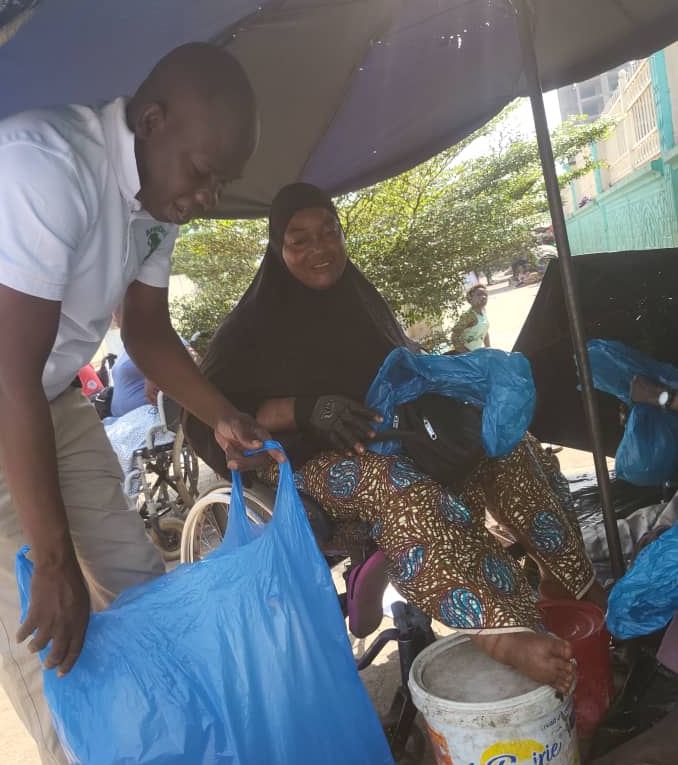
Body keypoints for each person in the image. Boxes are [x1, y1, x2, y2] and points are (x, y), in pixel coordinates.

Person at [0, 42, 283, 765]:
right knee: (42, 626)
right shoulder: (42, 169)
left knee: (136, 584)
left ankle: (171, 764)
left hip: (43, 392)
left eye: (220, 182)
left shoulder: (156, 197)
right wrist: (53, 562)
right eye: (203, 173)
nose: (206, 197)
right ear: (152, 120)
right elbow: (4, 376)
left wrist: (220, 413)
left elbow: (146, 332)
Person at [186, 183, 597, 694]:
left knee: (506, 447)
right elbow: (208, 417)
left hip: (389, 430)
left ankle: (570, 584)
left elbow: (400, 360)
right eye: (299, 240)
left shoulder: (359, 298)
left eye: (329, 232)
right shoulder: (250, 325)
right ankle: (503, 632)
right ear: (277, 250)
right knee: (400, 486)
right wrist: (306, 410)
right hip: (305, 457)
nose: (320, 248)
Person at [451, 283, 491, 352]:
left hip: (476, 353)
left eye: (485, 294)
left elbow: (485, 332)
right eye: (479, 294)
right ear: (471, 298)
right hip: (464, 355)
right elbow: (454, 336)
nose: (484, 297)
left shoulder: (483, 311)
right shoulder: (468, 315)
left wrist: (489, 351)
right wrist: (467, 354)